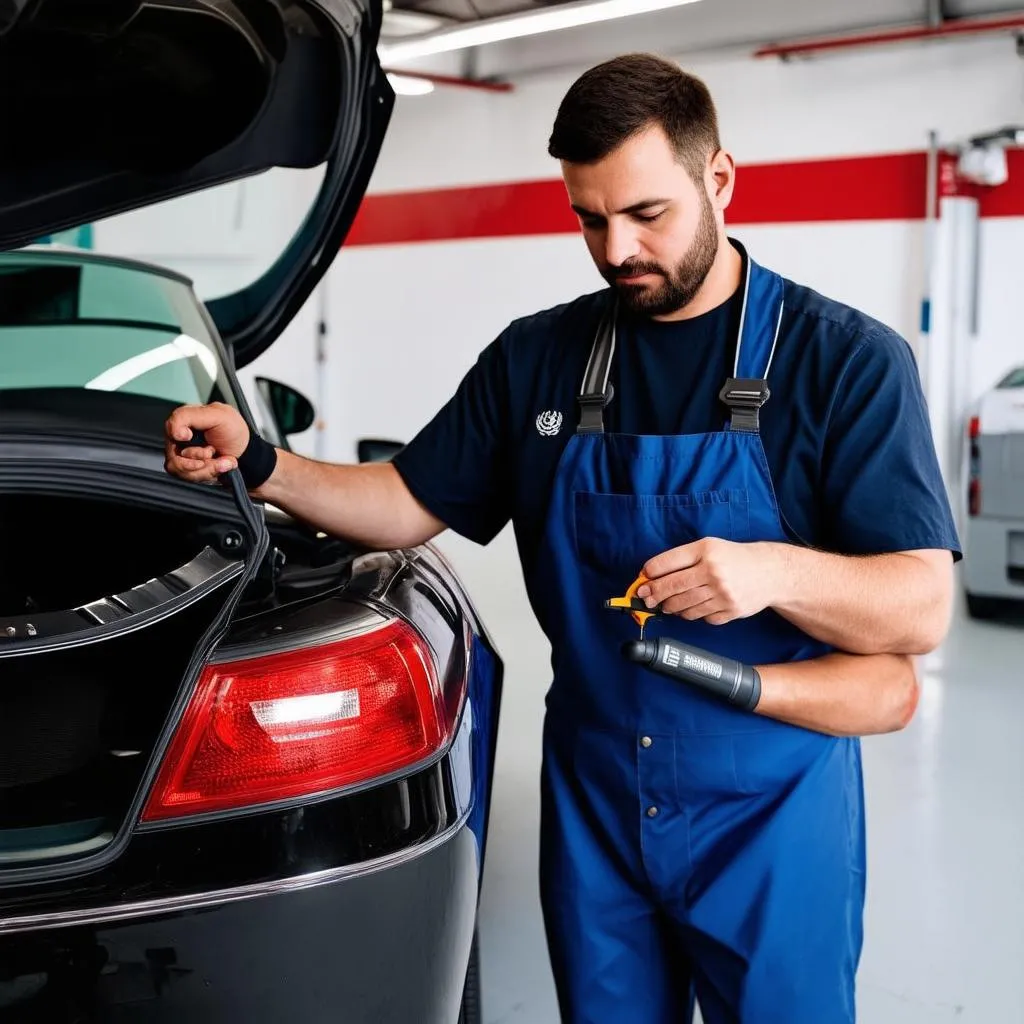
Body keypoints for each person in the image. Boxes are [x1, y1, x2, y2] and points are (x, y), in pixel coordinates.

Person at [165, 53, 961, 1024]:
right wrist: (261, 463)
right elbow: (405, 500)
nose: (616, 247)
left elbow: (919, 604)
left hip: (771, 817)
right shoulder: (536, 359)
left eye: (646, 215)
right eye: (589, 219)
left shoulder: (845, 364)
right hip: (594, 806)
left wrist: (770, 570)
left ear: (718, 180)